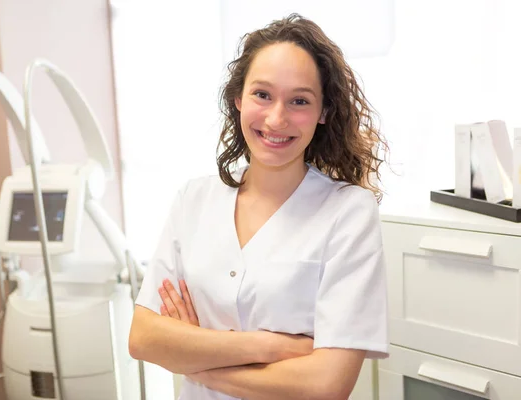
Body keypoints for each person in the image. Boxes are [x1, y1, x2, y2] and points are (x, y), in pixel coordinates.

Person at [128, 13, 389, 400]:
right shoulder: (194, 200)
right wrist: (269, 346)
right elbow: (143, 338)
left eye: (299, 100)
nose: (276, 118)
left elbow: (327, 385)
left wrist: (195, 357)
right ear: (237, 98)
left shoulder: (349, 212)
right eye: (262, 94)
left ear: (323, 113)